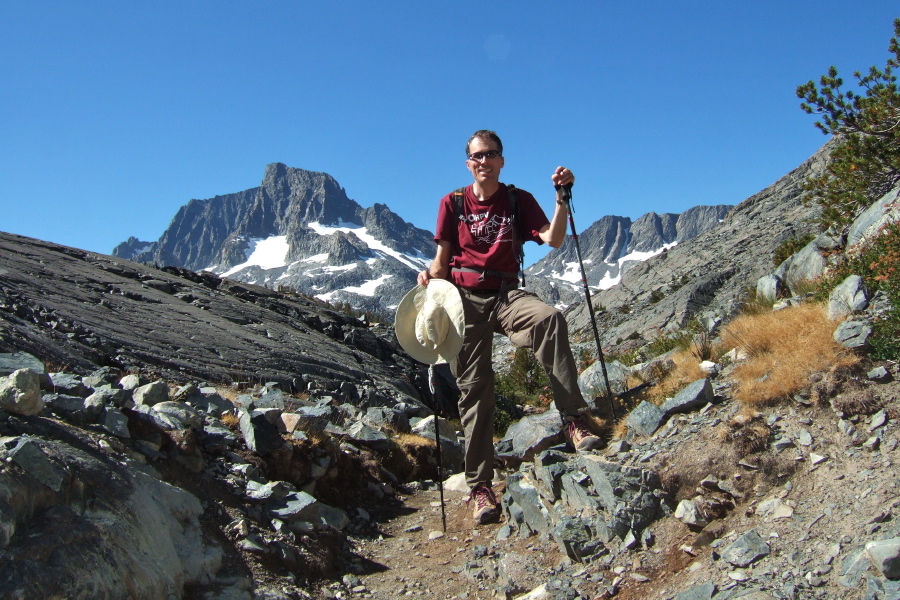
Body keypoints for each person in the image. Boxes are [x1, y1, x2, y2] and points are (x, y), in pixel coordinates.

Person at [417, 130, 602, 525]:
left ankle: (573, 418)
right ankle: (480, 487)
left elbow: (552, 239)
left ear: (502, 160)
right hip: (462, 301)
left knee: (548, 318)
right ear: (468, 163)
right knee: (474, 390)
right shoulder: (451, 203)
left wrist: (561, 198)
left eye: (491, 155)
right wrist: (429, 280)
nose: (484, 161)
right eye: (477, 156)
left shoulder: (518, 200)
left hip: (505, 293)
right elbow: (442, 258)